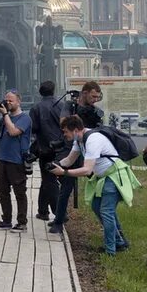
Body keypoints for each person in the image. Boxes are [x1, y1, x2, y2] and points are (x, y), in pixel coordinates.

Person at [50, 114, 141, 255]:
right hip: (103, 177)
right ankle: (120, 241)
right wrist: (54, 165)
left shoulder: (93, 140)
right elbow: (69, 160)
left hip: (114, 176)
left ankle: (111, 250)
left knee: (106, 211)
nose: (64, 135)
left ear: (75, 130)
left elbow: (87, 170)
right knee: (97, 206)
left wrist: (64, 173)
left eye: (65, 132)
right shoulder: (79, 140)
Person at [48, 80, 103, 234]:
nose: (94, 100)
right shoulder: (70, 106)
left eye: (97, 97)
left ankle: (105, 219)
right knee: (65, 188)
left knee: (99, 184)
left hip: (89, 150)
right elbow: (63, 122)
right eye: (93, 96)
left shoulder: (94, 110)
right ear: (84, 93)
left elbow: (99, 129)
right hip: (71, 149)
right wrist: (77, 117)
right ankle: (59, 220)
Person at [0, 89, 32, 230]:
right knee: (2, 191)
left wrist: (6, 114)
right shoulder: (5, 117)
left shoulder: (24, 118)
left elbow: (14, 132)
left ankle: (22, 222)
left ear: (18, 102)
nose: (7, 102)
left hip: (17, 161)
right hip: (2, 159)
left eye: (11, 100)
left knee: (19, 192)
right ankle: (6, 220)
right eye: (6, 100)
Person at [29, 81, 66, 221]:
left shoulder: (36, 108)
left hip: (44, 148)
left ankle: (60, 213)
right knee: (47, 180)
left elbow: (34, 128)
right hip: (61, 148)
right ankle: (43, 211)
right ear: (53, 91)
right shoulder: (62, 106)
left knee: (49, 180)